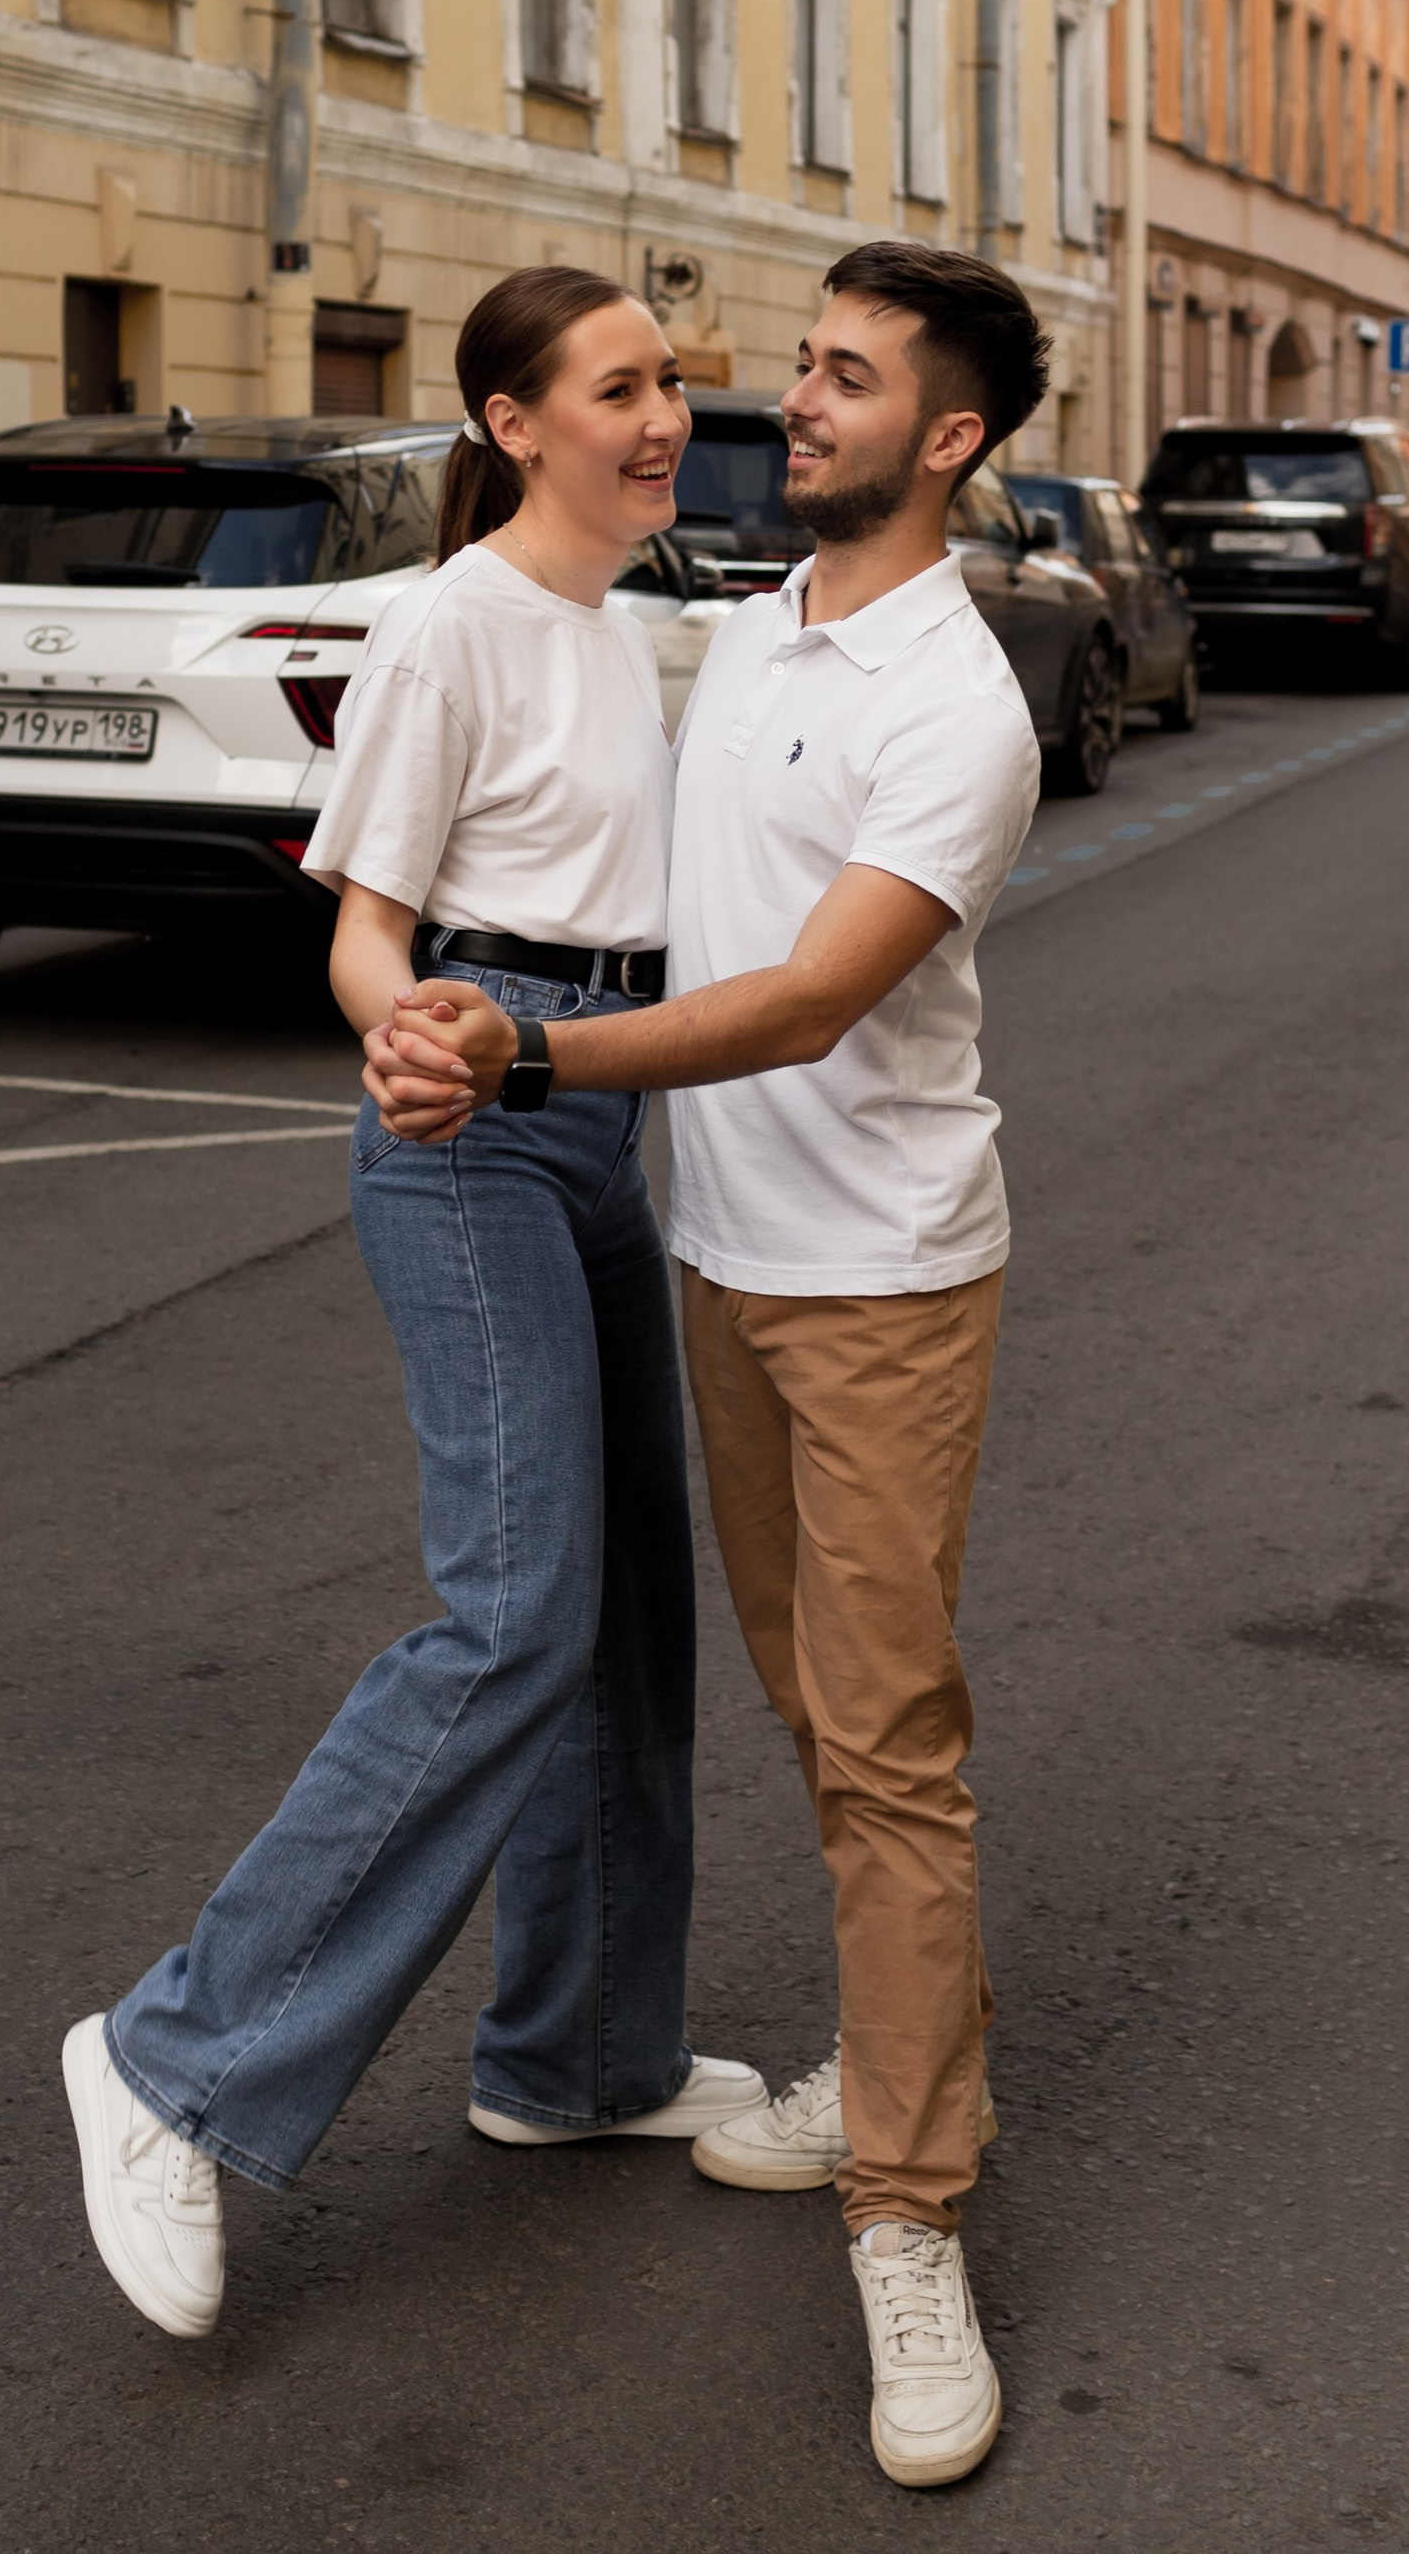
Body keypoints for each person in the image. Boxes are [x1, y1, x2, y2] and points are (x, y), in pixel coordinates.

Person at [372, 241, 1047, 2491]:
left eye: (847, 380)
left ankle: (906, 2207)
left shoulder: (958, 705)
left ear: (944, 438)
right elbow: (554, 754)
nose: (796, 403)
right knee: (803, 1702)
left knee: (882, 1749)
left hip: (872, 1282)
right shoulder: (749, 631)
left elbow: (792, 1001)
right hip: (723, 1260)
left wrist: (528, 1050)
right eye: (807, 368)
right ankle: (896, 2062)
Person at [62, 264, 763, 2344]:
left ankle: (575, 2061)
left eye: (667, 387)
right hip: (474, 1119)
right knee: (517, 1606)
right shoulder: (456, 617)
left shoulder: (618, 624)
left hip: (593, 1116)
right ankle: (172, 2061)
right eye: (618, 389)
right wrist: (415, 1045)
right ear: (510, 417)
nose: (661, 419)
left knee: (631, 1611)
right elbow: (369, 932)